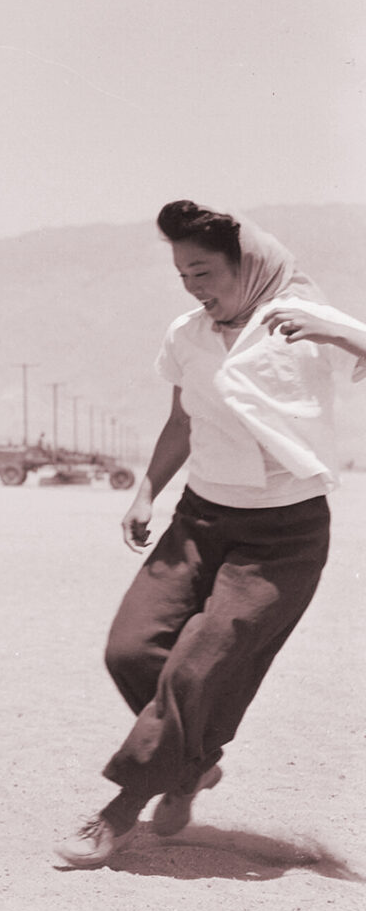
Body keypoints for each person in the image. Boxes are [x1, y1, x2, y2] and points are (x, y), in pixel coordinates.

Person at [54, 200, 366, 868]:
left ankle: (117, 812)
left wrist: (339, 332)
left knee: (200, 665)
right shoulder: (186, 335)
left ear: (245, 265)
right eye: (184, 275)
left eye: (204, 271)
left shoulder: (303, 318)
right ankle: (191, 765)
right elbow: (183, 421)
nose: (196, 287)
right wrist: (145, 491)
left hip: (284, 535)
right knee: (131, 651)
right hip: (200, 518)